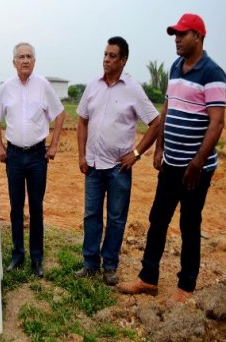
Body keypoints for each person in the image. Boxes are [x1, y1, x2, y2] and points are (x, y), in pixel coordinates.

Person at [118, 14, 225, 302]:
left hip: (195, 170)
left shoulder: (213, 73)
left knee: (190, 224)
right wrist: (160, 147)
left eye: (182, 34)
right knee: (158, 218)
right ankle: (147, 278)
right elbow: (168, 109)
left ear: (199, 37)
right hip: (171, 163)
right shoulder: (176, 66)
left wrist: (197, 162)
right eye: (175, 34)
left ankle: (186, 287)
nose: (176, 39)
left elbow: (216, 124)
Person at [75, 36, 160, 286]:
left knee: (116, 218)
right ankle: (90, 263)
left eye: (112, 56)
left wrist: (136, 154)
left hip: (118, 167)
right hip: (92, 164)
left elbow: (155, 123)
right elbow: (81, 120)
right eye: (104, 54)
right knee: (91, 215)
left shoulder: (133, 89)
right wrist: (81, 154)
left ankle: (109, 265)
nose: (106, 60)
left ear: (123, 60)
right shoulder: (93, 86)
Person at [0, 42, 66, 278]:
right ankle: (17, 254)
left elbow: (60, 114)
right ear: (13, 62)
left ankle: (36, 258)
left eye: (29, 56)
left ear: (34, 61)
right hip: (13, 156)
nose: (25, 60)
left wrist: (53, 144)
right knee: (15, 207)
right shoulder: (7, 87)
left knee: (36, 207)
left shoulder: (43, 85)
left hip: (36, 156)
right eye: (20, 57)